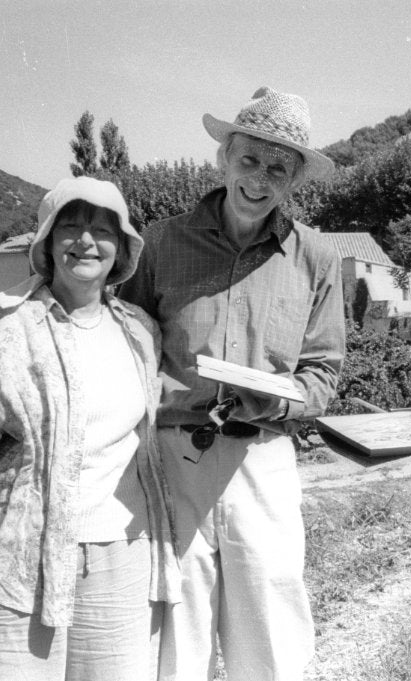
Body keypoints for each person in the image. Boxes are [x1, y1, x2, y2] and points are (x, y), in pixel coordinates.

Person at [118, 86, 345, 681]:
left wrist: (282, 396)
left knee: (270, 621)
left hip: (264, 456)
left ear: (294, 179)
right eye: (249, 159)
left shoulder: (316, 257)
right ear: (223, 159)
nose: (260, 178)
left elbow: (323, 371)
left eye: (278, 167)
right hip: (175, 458)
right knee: (175, 622)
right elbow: (126, 348)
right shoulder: (161, 242)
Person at [0, 176, 180, 681]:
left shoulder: (141, 332)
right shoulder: (3, 330)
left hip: (122, 561)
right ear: (47, 241)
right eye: (71, 226)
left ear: (123, 247)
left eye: (104, 229)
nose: (86, 241)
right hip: (19, 565)